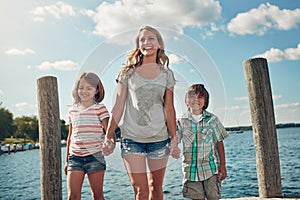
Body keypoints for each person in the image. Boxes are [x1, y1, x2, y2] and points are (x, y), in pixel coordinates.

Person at [102, 25, 180, 200]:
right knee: (141, 190)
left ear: (159, 44)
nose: (146, 42)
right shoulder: (127, 73)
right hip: (132, 139)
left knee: (156, 188)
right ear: (138, 45)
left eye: (151, 38)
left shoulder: (167, 75)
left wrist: (174, 139)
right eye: (142, 40)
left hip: (159, 139)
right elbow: (118, 105)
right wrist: (109, 135)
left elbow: (169, 108)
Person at [176, 84, 228, 200]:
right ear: (186, 101)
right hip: (190, 172)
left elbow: (219, 143)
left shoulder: (212, 120)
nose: (196, 100)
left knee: (213, 197)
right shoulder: (181, 122)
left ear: (205, 101)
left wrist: (222, 165)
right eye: (192, 96)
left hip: (210, 170)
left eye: (200, 97)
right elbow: (174, 142)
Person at [64, 72, 109, 200]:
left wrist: (108, 144)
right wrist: (67, 160)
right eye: (81, 87)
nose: (84, 91)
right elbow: (70, 136)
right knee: (72, 196)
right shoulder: (72, 110)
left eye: (89, 88)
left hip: (95, 156)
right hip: (75, 158)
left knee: (97, 195)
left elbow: (109, 132)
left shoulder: (100, 109)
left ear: (97, 90)